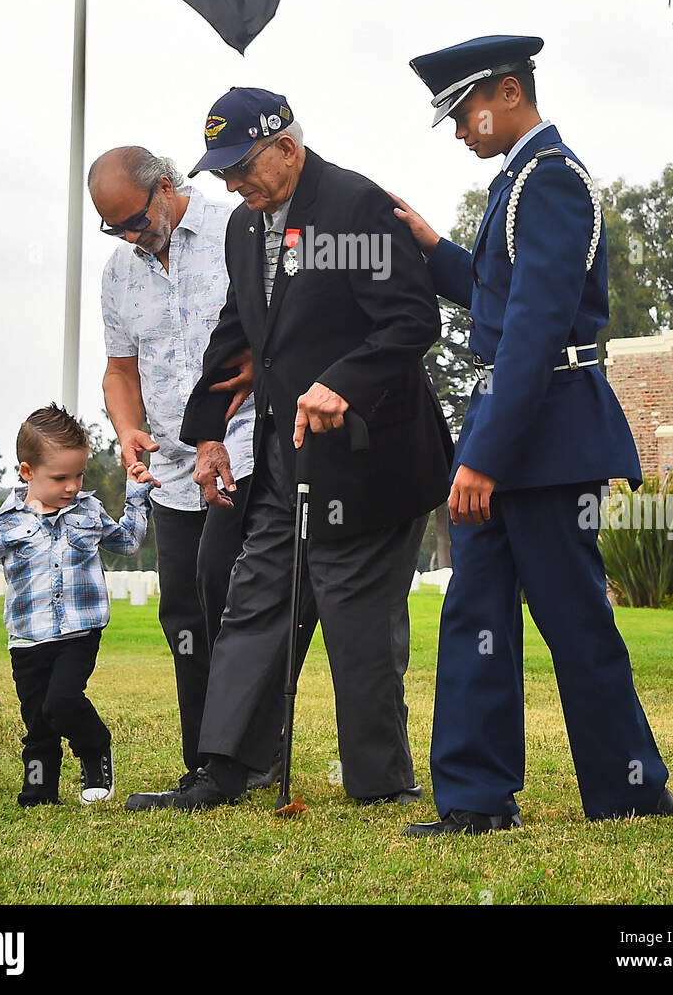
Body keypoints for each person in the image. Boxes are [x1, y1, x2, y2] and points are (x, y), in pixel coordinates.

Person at [392, 34, 673, 836]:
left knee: (574, 621)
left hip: (546, 434)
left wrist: (483, 456)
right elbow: (495, 297)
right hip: (511, 421)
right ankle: (476, 802)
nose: (459, 132)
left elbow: (537, 329)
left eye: (464, 113)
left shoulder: (551, 180)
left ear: (508, 93)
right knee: (474, 616)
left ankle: (631, 793)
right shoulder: (519, 181)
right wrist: (434, 249)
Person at [168, 85, 453, 811]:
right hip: (282, 461)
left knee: (357, 627)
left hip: (370, 461)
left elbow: (414, 320)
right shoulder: (243, 227)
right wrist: (206, 433)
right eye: (223, 174)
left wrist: (342, 384)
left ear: (287, 148)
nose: (233, 185)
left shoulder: (357, 207)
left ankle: (381, 784)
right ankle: (227, 771)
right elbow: (240, 335)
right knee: (254, 604)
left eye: (242, 168)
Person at [88, 146, 274, 807]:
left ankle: (248, 759)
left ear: (166, 187)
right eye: (114, 229)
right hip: (168, 472)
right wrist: (126, 428)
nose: (130, 236)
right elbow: (119, 370)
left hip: (242, 450)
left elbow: (272, 332)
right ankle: (205, 763)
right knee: (183, 614)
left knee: (229, 598)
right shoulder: (118, 273)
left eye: (135, 220)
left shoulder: (237, 230)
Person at [0, 403, 155, 808]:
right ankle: (39, 793)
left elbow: (126, 542)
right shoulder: (3, 526)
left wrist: (137, 494)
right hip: (27, 640)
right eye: (60, 477)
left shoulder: (87, 510)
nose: (72, 486)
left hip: (79, 632)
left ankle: (94, 747)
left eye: (79, 475)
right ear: (27, 472)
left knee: (62, 703)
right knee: (39, 722)